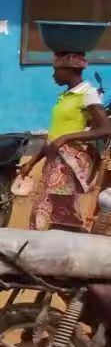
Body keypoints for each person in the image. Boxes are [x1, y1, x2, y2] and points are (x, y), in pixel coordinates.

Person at [18, 51, 111, 231]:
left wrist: (68, 137)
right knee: (49, 209)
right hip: (55, 160)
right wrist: (31, 162)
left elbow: (106, 129)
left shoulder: (87, 93)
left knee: (53, 209)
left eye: (56, 70)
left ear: (69, 70)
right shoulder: (64, 97)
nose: (53, 75)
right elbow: (53, 136)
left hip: (69, 161)